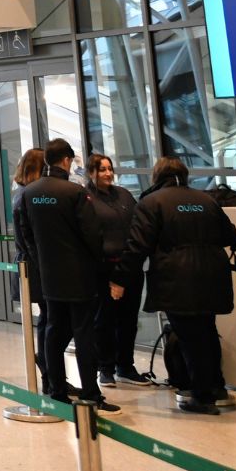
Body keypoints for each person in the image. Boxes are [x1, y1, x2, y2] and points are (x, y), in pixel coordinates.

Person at [14, 138, 120, 413]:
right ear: (66, 160)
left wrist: (41, 261)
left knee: (52, 330)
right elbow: (91, 234)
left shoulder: (29, 193)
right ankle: (90, 393)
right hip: (79, 274)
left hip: (48, 274)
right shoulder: (74, 192)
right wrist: (96, 264)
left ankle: (56, 389)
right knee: (83, 331)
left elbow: (25, 235)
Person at [129, 156, 236, 415]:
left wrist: (122, 276)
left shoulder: (152, 202)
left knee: (191, 337)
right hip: (212, 276)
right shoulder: (206, 200)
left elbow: (138, 245)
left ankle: (202, 396)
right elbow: (229, 235)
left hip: (176, 278)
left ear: (157, 176)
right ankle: (217, 387)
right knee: (207, 331)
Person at [85, 153, 145, 389]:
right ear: (91, 172)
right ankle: (105, 367)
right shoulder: (86, 198)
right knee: (105, 319)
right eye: (102, 169)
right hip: (103, 269)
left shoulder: (124, 195)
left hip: (129, 266)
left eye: (110, 168)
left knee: (129, 319)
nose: (108, 173)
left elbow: (137, 227)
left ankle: (125, 366)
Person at [10, 148, 47, 371]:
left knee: (48, 315)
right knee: (49, 315)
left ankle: (46, 361)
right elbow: (29, 237)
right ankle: (45, 361)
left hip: (31, 263)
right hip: (35, 265)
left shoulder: (21, 194)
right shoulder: (28, 196)